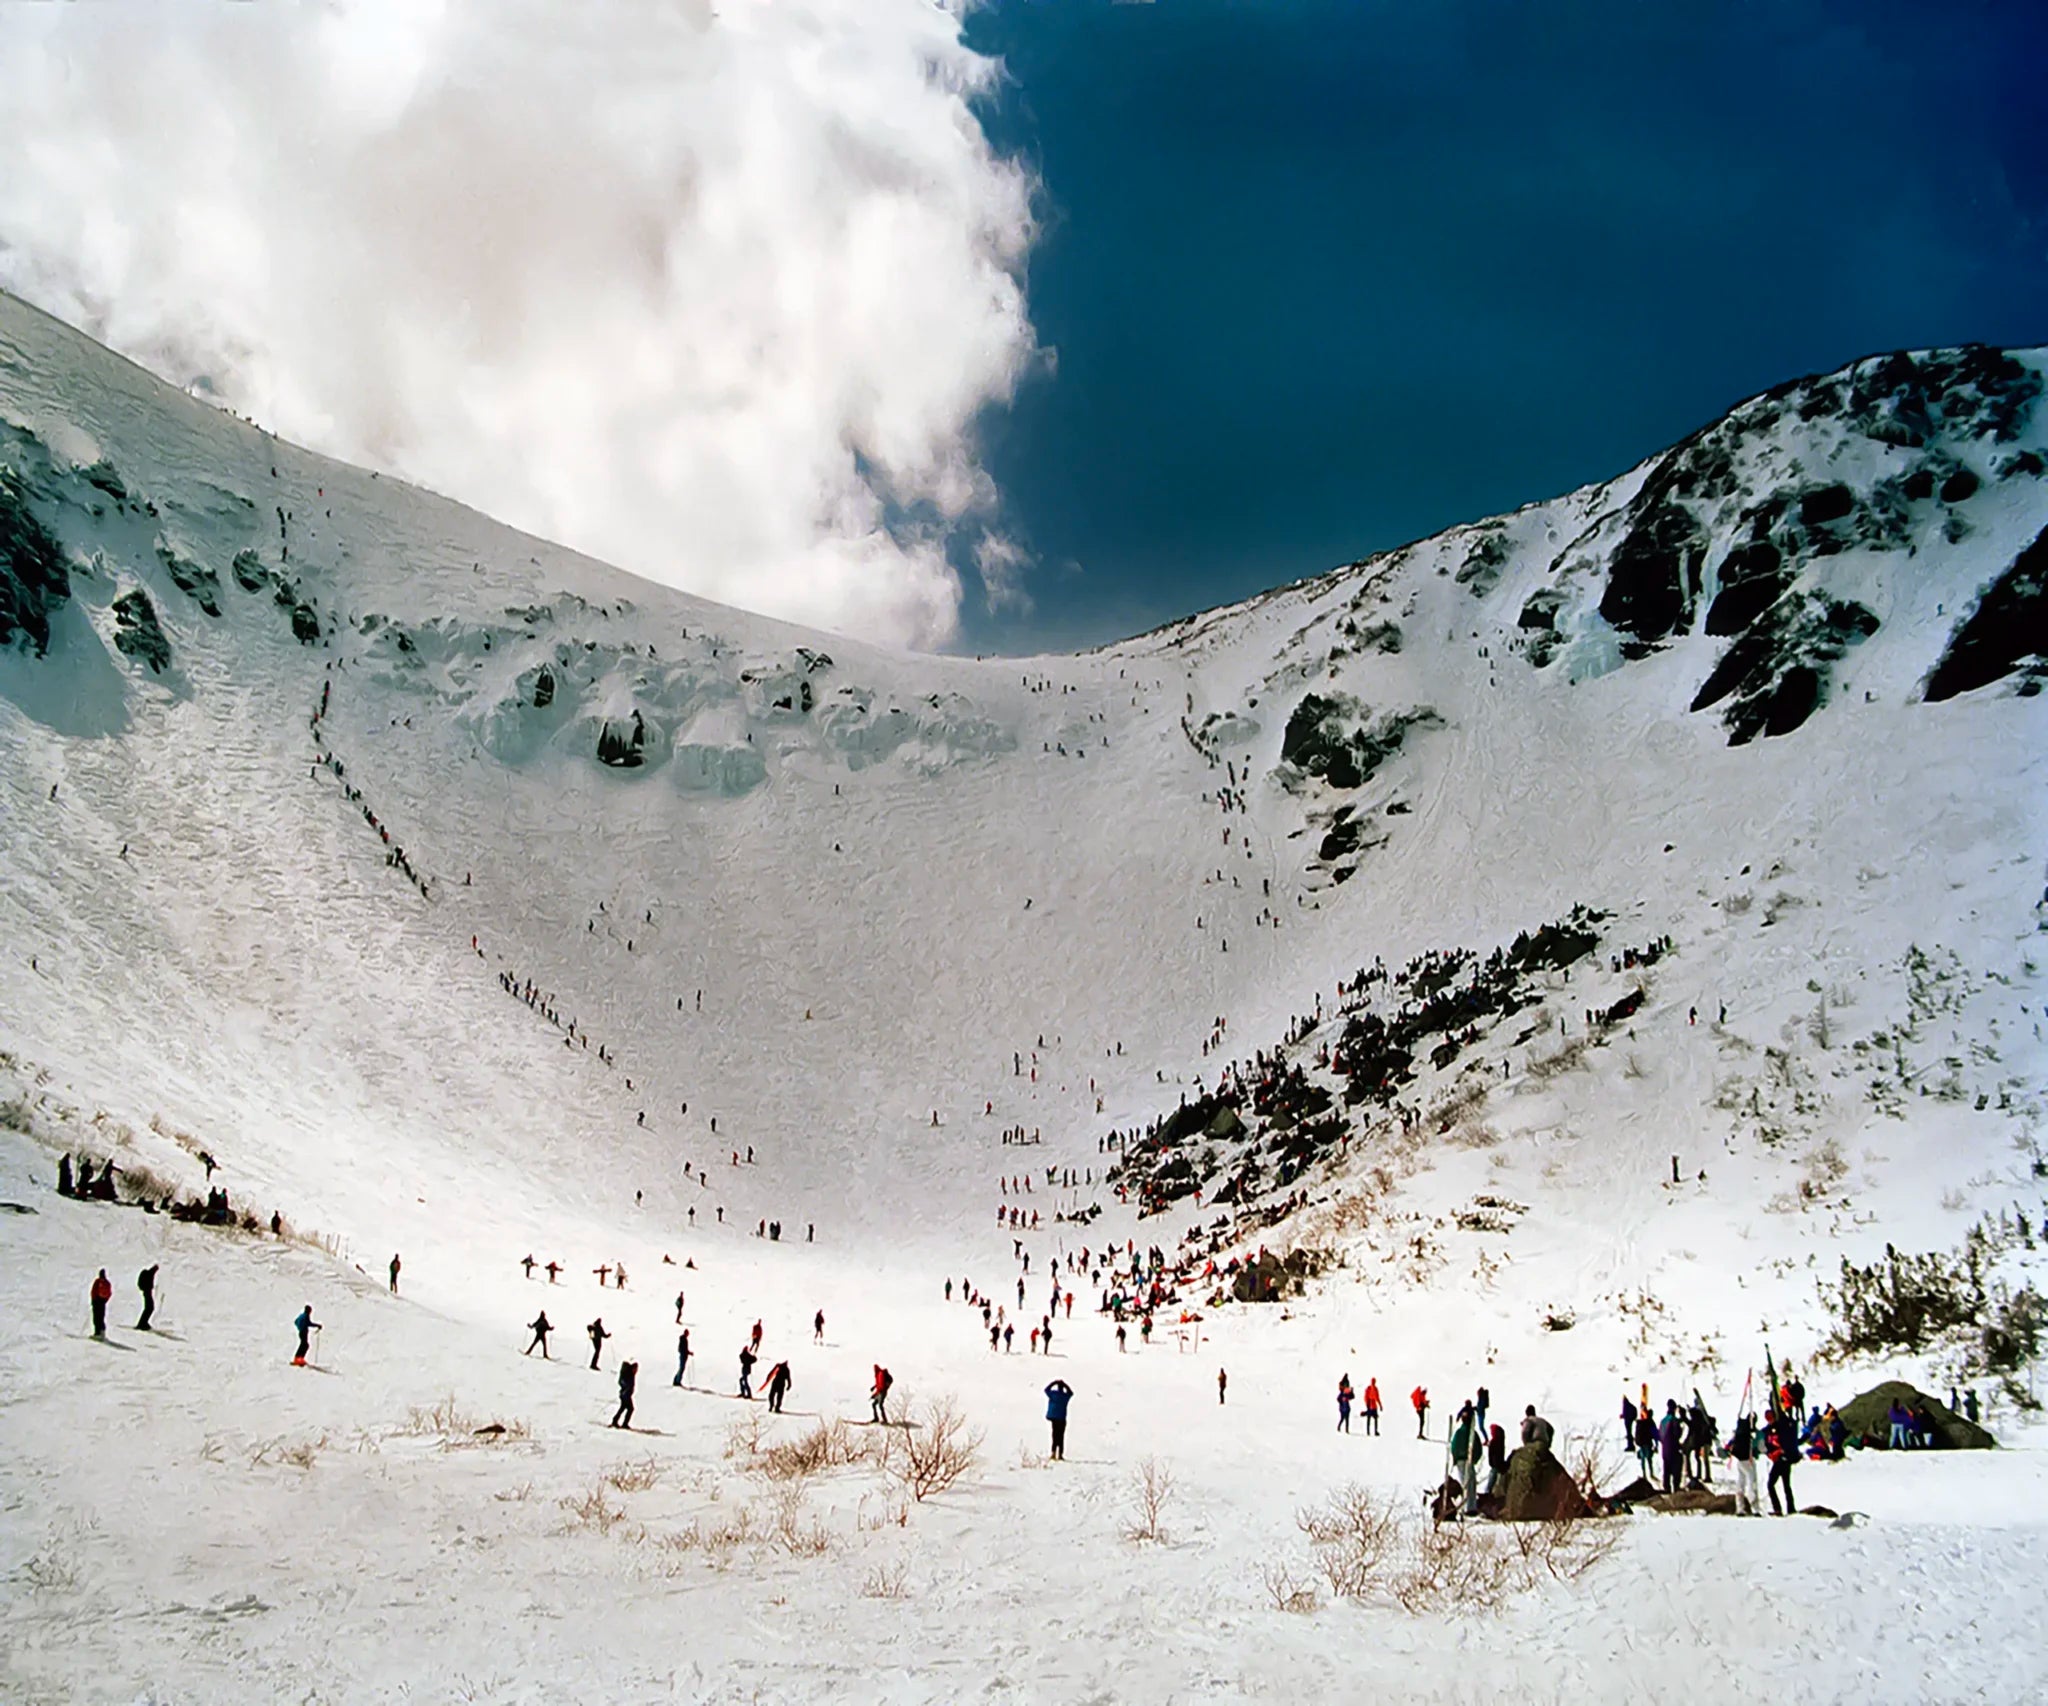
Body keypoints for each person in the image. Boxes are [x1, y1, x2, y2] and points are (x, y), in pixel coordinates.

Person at [1766, 1407, 1798, 1515]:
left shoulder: (1780, 1428)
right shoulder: (1769, 1429)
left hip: (1782, 1459)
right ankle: (1790, 1508)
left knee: (1772, 1484)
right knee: (1785, 1485)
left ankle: (1779, 1509)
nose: (1769, 1420)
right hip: (1781, 1460)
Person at [1729, 1411, 1760, 1515]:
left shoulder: (1740, 1430)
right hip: (1748, 1459)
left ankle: (1740, 1507)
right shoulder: (1752, 1433)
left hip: (1739, 1459)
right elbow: (1760, 1447)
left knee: (1741, 1483)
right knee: (1752, 1483)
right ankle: (1755, 1508)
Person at [1659, 1400, 1685, 1494]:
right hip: (1674, 1449)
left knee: (1666, 1469)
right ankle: (1676, 1488)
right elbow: (1677, 1434)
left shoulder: (1663, 1421)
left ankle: (1667, 1488)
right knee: (1676, 1469)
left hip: (1664, 1449)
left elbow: (1660, 1436)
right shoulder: (1674, 1420)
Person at [1045, 1378, 1074, 1460]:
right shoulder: (1064, 1396)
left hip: (1054, 1417)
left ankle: (1053, 1453)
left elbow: (1046, 1389)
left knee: (1054, 1435)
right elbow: (1071, 1393)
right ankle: (1060, 1454)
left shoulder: (1053, 1394)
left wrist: (1054, 1382)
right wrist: (1065, 1385)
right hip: (1061, 1418)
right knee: (1061, 1437)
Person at [611, 1360, 638, 1429]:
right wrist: (626, 1389)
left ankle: (615, 1420)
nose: (636, 1371)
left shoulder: (630, 1375)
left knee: (623, 1408)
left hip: (625, 1394)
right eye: (635, 1369)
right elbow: (623, 1383)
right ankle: (624, 1423)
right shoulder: (627, 1375)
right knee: (630, 1409)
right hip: (625, 1395)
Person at [90, 1269, 113, 1338]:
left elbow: (93, 1292)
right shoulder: (107, 1283)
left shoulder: (97, 1282)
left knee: (96, 1318)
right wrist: (105, 1300)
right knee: (101, 1317)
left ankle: (97, 1333)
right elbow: (109, 1293)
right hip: (102, 1302)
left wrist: (93, 1300)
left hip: (96, 1301)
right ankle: (102, 1332)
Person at [135, 1265, 158, 1331]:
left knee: (149, 1308)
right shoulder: (149, 1274)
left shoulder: (148, 1274)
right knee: (149, 1308)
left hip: (147, 1292)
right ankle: (142, 1323)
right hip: (147, 1292)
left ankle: (143, 1322)